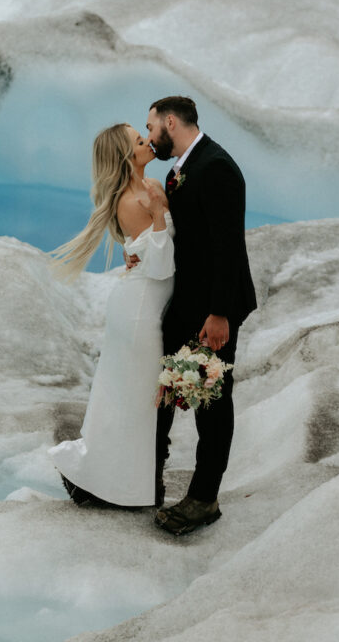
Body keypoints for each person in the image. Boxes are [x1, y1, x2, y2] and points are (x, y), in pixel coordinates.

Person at [145, 96, 257, 535]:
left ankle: (204, 498)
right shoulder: (180, 170)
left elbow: (227, 247)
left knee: (210, 398)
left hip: (214, 308)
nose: (150, 137)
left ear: (171, 122)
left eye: (151, 127)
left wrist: (220, 314)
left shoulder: (216, 168)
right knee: (166, 389)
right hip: (187, 301)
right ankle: (147, 478)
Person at [48, 122, 174, 507]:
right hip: (140, 309)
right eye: (140, 141)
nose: (148, 141)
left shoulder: (149, 187)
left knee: (131, 398)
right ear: (127, 156)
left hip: (145, 302)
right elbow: (162, 265)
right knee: (132, 400)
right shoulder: (133, 201)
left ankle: (118, 482)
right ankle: (107, 483)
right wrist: (156, 217)